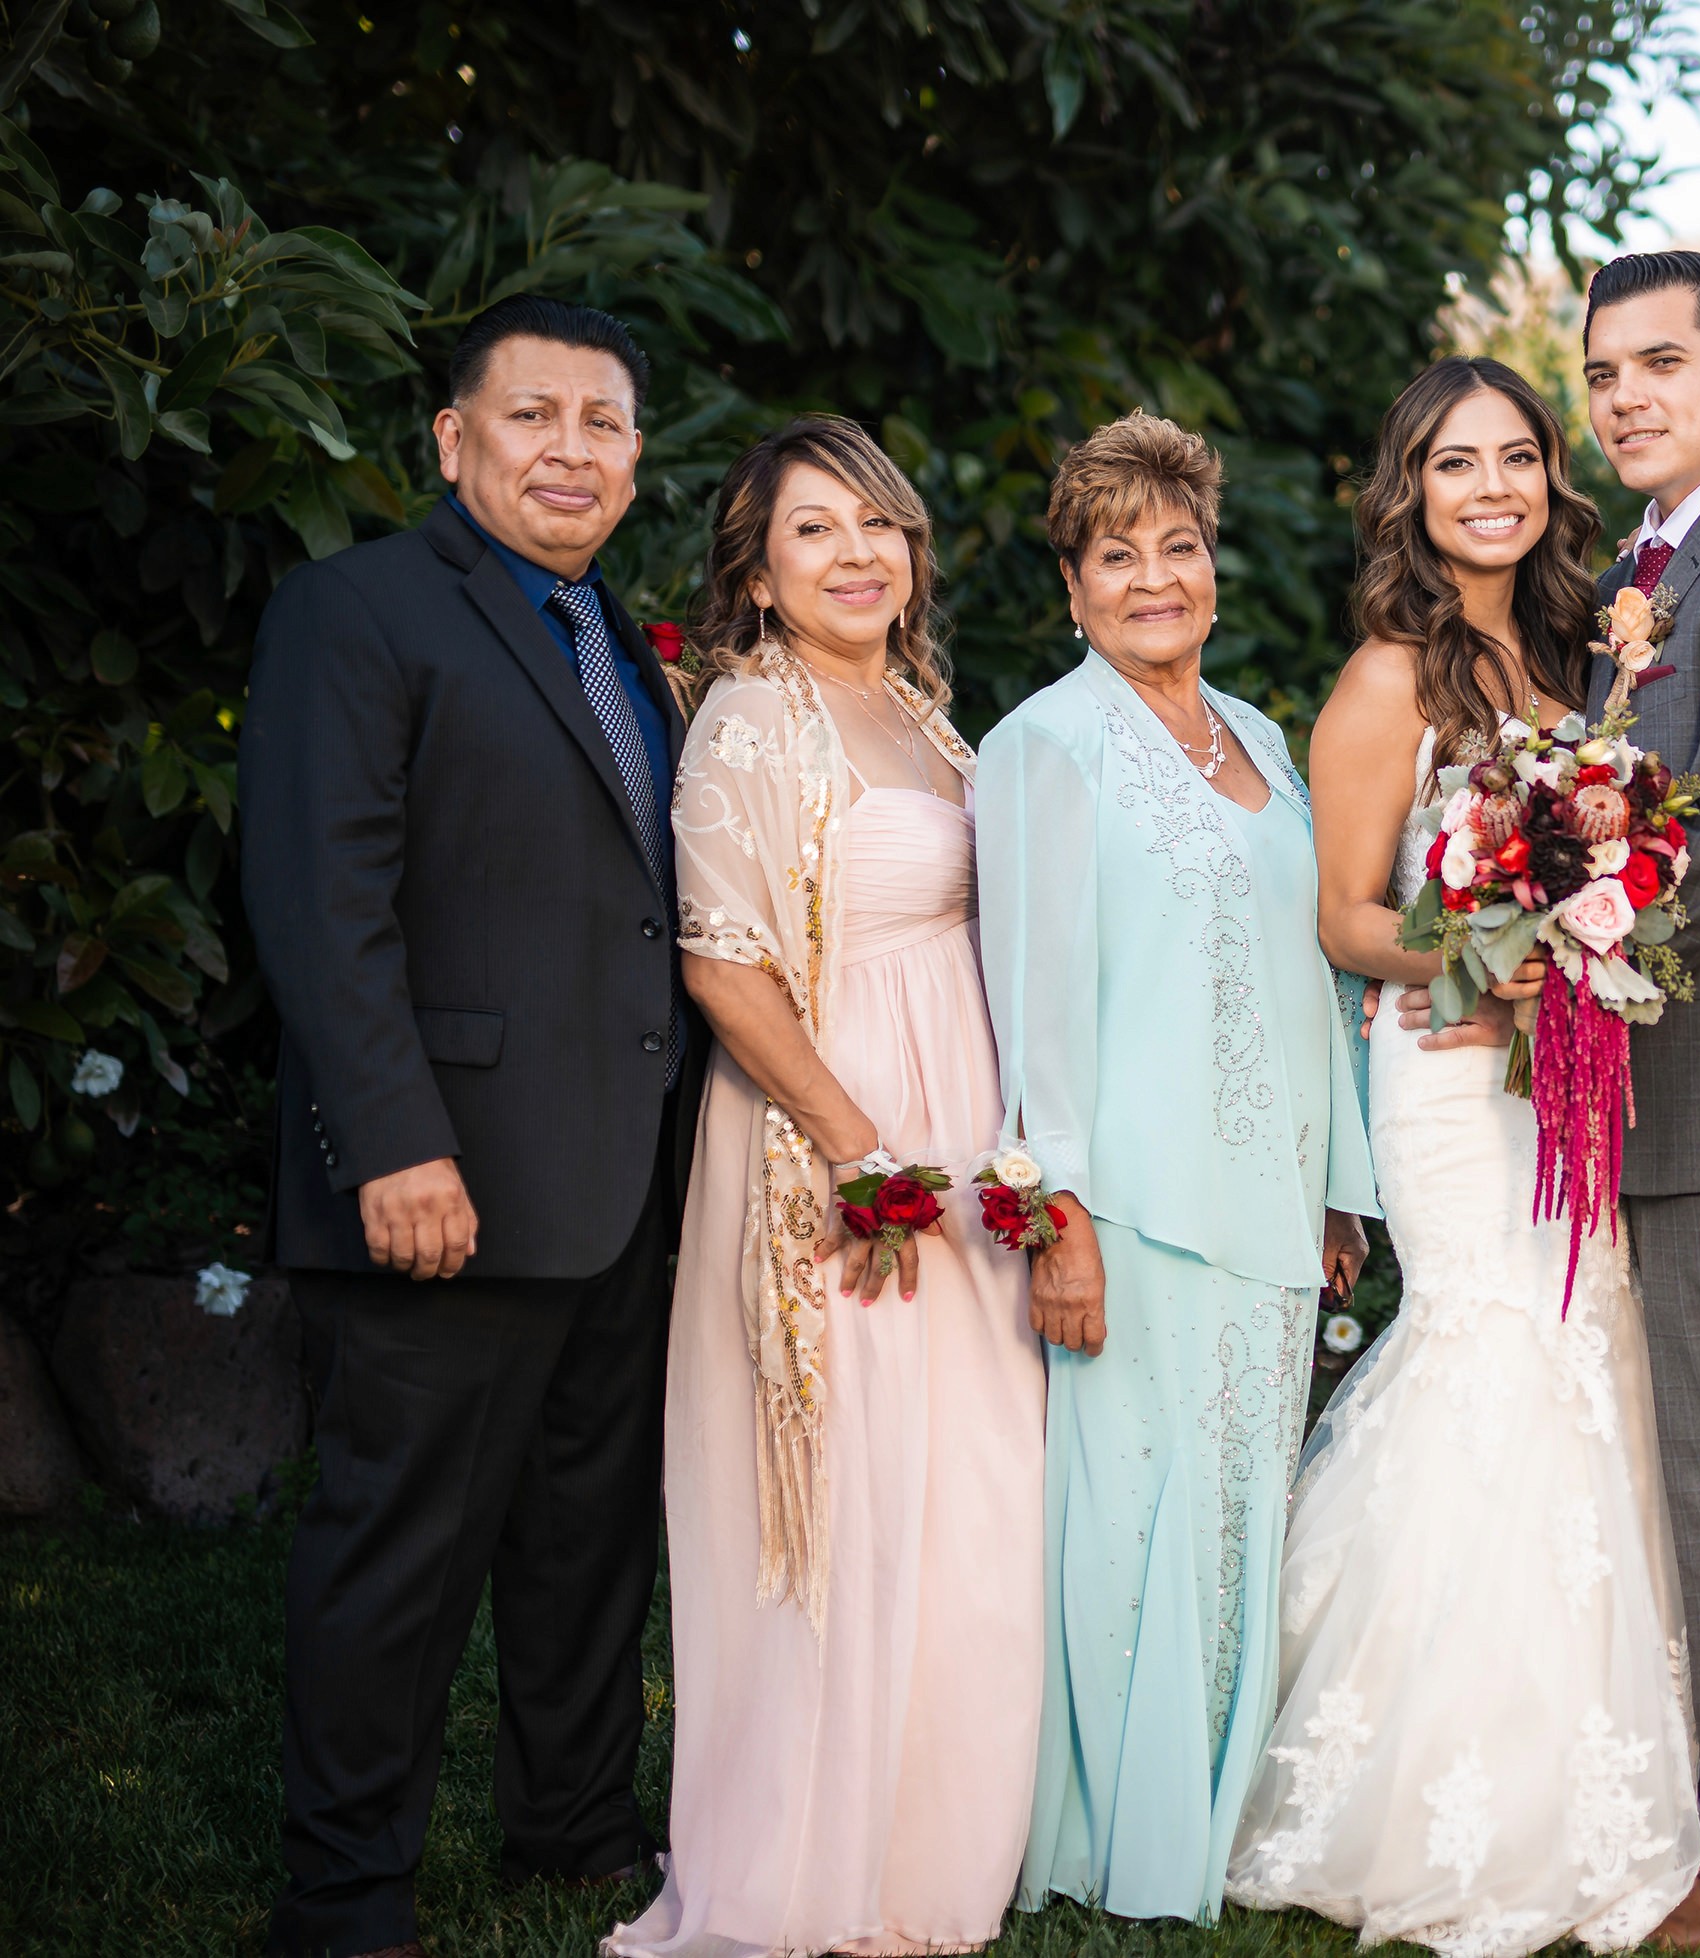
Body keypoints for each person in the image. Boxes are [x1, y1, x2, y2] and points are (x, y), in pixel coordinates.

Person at [1397, 251, 1700, 1947]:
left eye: (1661, 364)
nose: (1621, 398)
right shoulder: (1651, 563)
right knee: (1679, 1468)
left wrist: (1522, 951)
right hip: (1649, 1098)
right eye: (1601, 371)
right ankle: (1699, 1782)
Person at [1225, 356, 1700, 1953]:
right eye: (1452, 463)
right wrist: (1468, 955)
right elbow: (1340, 910)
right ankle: (1436, 1784)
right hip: (1446, 1067)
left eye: (1513, 457)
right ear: (1410, 492)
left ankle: (1592, 1751)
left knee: (1585, 1345)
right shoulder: (1387, 676)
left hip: (1562, 1063)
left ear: (1548, 480)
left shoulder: (1581, 653)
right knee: (1490, 1351)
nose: (1487, 486)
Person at [241, 295, 697, 1958]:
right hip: (444, 1171)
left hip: (620, 1176)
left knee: (587, 1536)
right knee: (400, 1544)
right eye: (532, 416)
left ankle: (572, 1827)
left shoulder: (619, 645)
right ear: (454, 441)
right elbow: (319, 897)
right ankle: (346, 1891)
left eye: (604, 423)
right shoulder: (354, 611)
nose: (570, 449)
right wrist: (395, 1139)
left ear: (638, 461)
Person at [602, 417, 1043, 1955]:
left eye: (880, 525)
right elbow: (726, 969)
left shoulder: (929, 716)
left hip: (960, 1127)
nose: (858, 553)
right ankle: (807, 1861)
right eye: (814, 530)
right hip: (829, 1136)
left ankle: (936, 1849)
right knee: (839, 1495)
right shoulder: (751, 719)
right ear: (761, 572)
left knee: (965, 1489)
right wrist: (863, 1151)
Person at [975, 410, 1378, 1924]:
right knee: (1125, 1522)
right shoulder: (1042, 748)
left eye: (1179, 547)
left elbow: (1312, 972)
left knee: (1233, 1515)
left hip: (1269, 1204)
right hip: (1130, 1209)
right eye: (1116, 554)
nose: (1155, 578)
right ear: (1070, 588)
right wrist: (1054, 1212)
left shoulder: (1263, 741)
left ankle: (1212, 1820)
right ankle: (1107, 1840)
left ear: (1215, 566)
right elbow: (1031, 1005)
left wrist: (1337, 1177)